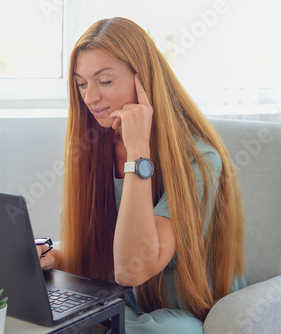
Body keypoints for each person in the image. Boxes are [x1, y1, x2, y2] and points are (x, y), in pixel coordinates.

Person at [37, 17, 246, 334]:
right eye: (81, 84)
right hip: (122, 302)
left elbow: (131, 270)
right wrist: (54, 257)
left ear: (144, 81)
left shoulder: (200, 159)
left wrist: (138, 153)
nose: (90, 97)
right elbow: (100, 250)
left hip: (182, 313)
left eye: (104, 81)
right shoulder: (93, 147)